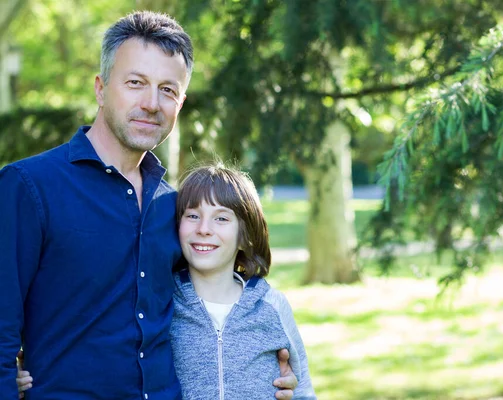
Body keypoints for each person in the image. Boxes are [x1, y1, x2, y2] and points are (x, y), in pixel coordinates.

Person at [1, 11, 296, 399]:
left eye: (168, 90)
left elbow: (208, 311)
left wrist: (260, 374)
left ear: (181, 101)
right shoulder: (28, 186)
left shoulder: (174, 207)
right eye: (136, 83)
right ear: (101, 87)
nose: (151, 103)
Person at [171, 163, 317, 399]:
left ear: (244, 236)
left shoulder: (272, 306)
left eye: (221, 218)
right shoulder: (163, 304)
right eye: (193, 215)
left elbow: (302, 391)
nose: (204, 229)